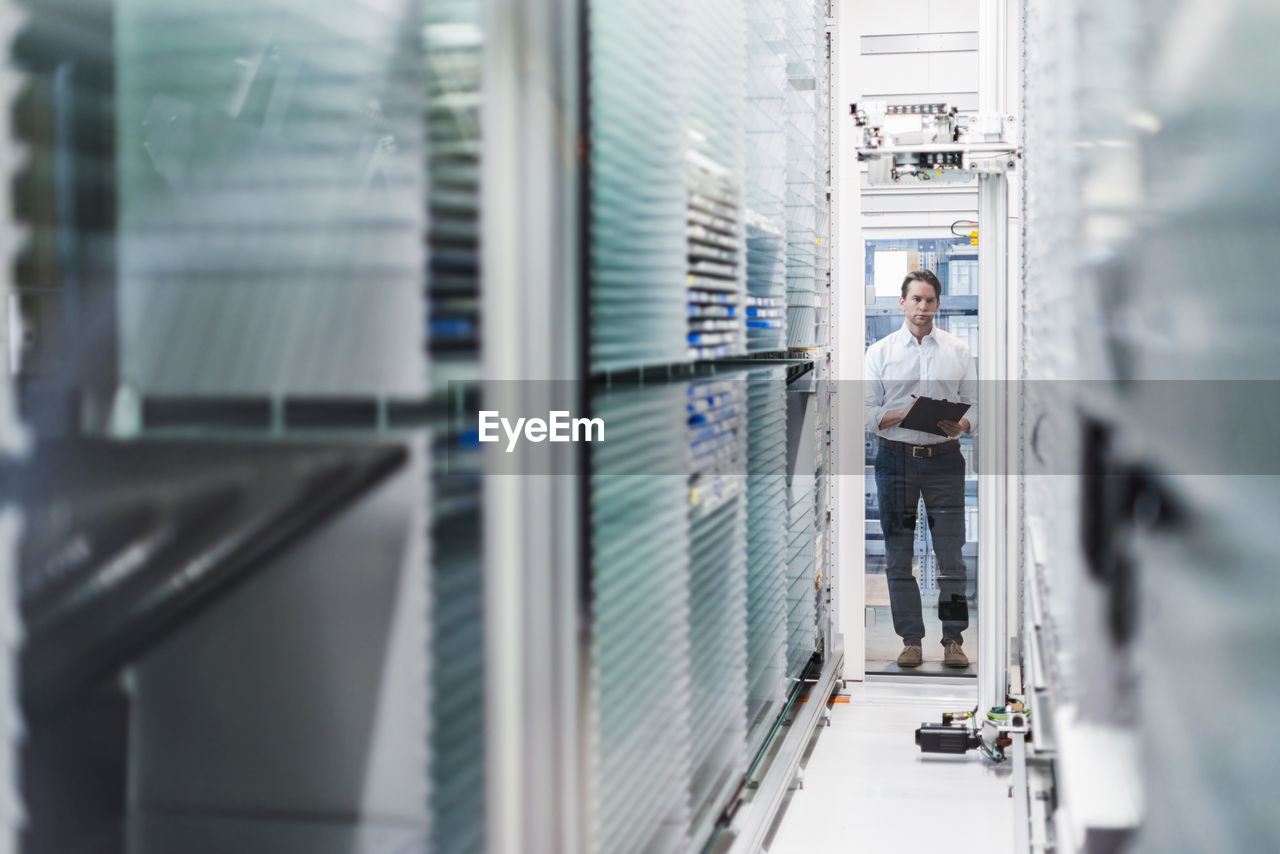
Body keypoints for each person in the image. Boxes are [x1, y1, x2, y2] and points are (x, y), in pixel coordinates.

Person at [864, 269, 977, 669]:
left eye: (930, 300)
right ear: (902, 302)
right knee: (898, 555)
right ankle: (910, 640)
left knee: (951, 556)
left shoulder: (958, 351)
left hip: (945, 460)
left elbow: (974, 404)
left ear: (938, 304)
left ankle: (953, 640)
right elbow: (865, 414)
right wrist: (903, 414)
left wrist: (962, 425)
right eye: (916, 299)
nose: (922, 307)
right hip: (895, 461)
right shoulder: (879, 353)